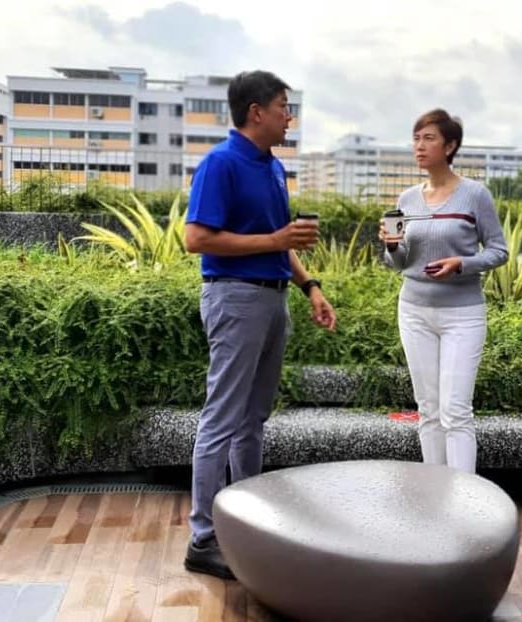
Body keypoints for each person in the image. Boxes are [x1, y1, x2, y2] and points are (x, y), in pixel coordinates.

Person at [183, 70, 336, 580]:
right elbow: (196, 239)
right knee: (222, 418)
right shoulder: (220, 164)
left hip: (274, 301)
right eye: (283, 107)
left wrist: (310, 285)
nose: (289, 116)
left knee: (253, 420)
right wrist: (274, 241)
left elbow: (280, 241)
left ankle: (247, 523)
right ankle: (203, 539)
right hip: (235, 299)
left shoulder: (273, 168)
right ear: (256, 111)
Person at [380, 109, 508, 474]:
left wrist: (461, 264)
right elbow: (399, 263)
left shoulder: (474, 195)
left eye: (429, 138)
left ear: (450, 146)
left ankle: (465, 501)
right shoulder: (406, 200)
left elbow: (498, 251)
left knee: (456, 410)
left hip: (462, 314)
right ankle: (435, 495)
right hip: (414, 311)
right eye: (416, 138)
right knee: (429, 409)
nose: (419, 146)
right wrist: (392, 246)